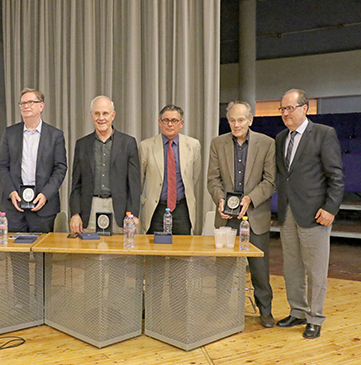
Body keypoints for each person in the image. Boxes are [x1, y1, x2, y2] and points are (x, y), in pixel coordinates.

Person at [275, 89, 344, 339]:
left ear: (305, 108)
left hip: (316, 213)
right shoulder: (280, 138)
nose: (286, 113)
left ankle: (315, 318)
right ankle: (298, 311)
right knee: (292, 267)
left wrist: (331, 208)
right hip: (288, 212)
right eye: (282, 109)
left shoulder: (324, 134)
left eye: (290, 108)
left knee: (315, 270)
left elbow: (336, 176)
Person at [207, 101, 276, 328]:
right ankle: (219, 310)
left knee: (259, 269)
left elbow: (270, 181)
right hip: (226, 218)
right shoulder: (218, 143)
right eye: (232, 120)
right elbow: (213, 180)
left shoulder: (267, 143)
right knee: (223, 269)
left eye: (241, 120)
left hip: (255, 217)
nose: (236, 125)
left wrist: (250, 199)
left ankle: (265, 310)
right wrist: (220, 199)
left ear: (250, 120)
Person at [0, 88, 67, 232]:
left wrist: (45, 194)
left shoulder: (55, 135)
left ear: (41, 106)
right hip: (15, 207)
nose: (26, 106)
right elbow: (2, 166)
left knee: (42, 247)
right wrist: (11, 192)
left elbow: (60, 168)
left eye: (30, 102)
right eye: (23, 103)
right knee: (15, 247)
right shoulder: (10, 133)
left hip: (43, 207)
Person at [70, 95, 141, 234]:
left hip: (119, 211)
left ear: (113, 115)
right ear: (91, 116)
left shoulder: (128, 143)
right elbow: (76, 184)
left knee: (119, 248)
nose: (101, 118)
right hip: (90, 209)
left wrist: (133, 214)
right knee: (89, 248)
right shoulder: (82, 144)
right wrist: (75, 213)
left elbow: (134, 184)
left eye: (105, 113)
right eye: (97, 114)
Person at [139, 105, 201, 235]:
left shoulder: (193, 145)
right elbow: (140, 178)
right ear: (159, 122)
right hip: (155, 209)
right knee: (154, 247)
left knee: (182, 247)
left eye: (174, 121)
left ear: (181, 123)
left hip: (182, 209)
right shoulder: (146, 146)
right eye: (166, 120)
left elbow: (194, 177)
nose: (170, 124)